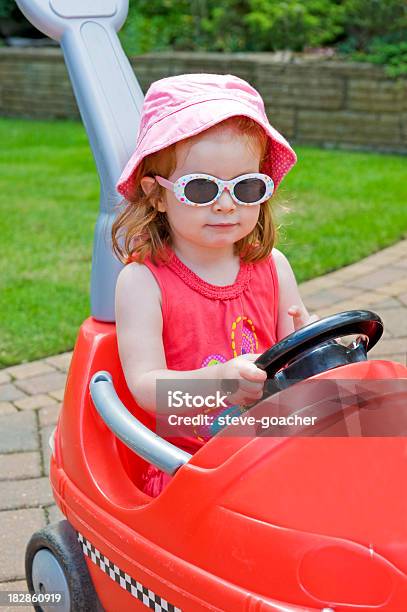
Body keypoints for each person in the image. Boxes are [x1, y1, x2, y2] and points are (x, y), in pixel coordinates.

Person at [112, 73, 318, 496]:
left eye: (246, 187)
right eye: (202, 188)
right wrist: (221, 382)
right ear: (156, 195)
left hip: (273, 450)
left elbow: (290, 365)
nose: (227, 204)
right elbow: (147, 389)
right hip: (189, 468)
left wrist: (305, 348)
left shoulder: (273, 268)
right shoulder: (143, 282)